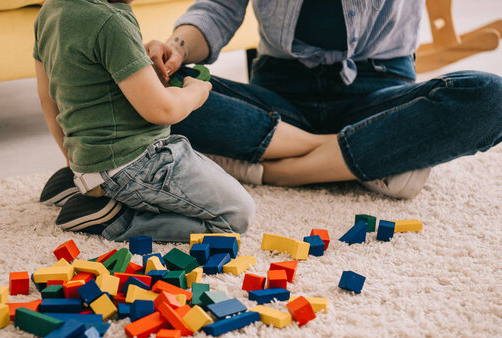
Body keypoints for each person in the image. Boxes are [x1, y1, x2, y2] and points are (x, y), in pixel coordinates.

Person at [145, 0, 502, 199]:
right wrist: (175, 49)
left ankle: (282, 170)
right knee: (144, 82)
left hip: (377, 85)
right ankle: (365, 152)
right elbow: (219, 9)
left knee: (492, 98)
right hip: (281, 92)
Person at [34, 0, 255, 242]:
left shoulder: (50, 12)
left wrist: (73, 160)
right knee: (237, 215)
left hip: (92, 163)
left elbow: (49, 98)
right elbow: (162, 109)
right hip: (140, 163)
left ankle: (82, 184)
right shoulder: (111, 22)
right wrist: (195, 93)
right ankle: (117, 219)